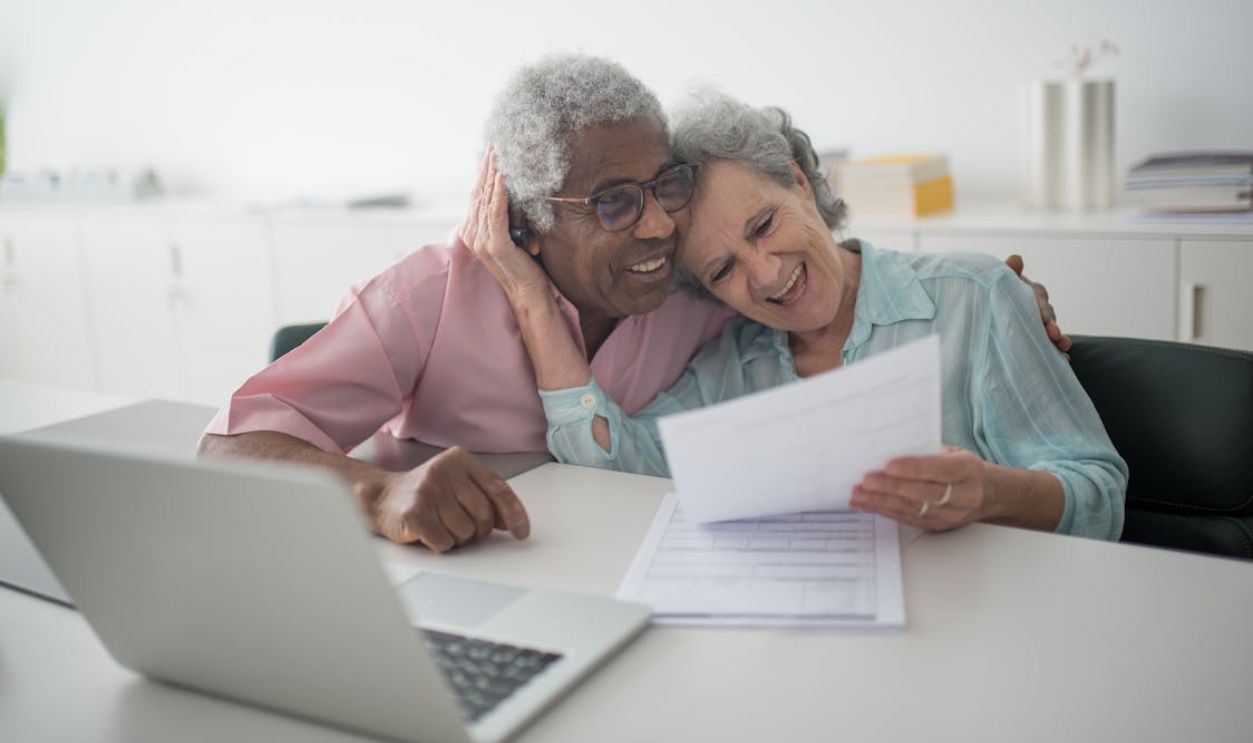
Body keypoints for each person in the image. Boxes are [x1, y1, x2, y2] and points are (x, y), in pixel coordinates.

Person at [199, 55, 1066, 552]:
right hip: (441, 580)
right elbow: (227, 447)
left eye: (666, 185)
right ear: (529, 222)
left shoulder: (700, 290)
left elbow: (819, 279)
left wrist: (1001, 292)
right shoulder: (430, 295)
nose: (658, 224)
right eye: (614, 201)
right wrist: (376, 494)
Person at [465, 93, 1126, 540]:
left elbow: (1098, 494)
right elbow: (612, 470)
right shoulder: (731, 363)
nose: (765, 274)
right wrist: (532, 301)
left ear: (799, 183)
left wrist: (987, 491)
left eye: (762, 224)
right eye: (722, 270)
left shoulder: (974, 296)